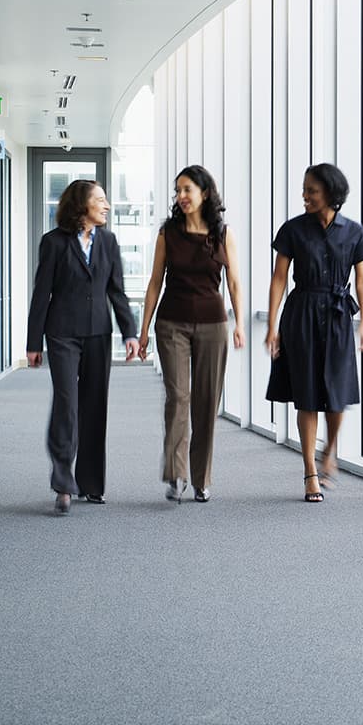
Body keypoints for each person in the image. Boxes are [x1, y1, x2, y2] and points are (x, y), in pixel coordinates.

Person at [27, 179, 140, 515]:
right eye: (100, 200)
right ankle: (63, 481)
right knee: (67, 403)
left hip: (97, 334)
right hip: (61, 333)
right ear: (82, 205)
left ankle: (90, 484)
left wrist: (129, 334)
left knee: (94, 405)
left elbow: (116, 291)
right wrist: (33, 342)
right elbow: (41, 293)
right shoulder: (54, 242)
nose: (106, 206)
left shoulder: (108, 241)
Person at [265, 163, 363, 502]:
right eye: (305, 189)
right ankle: (310, 472)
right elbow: (279, 278)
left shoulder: (354, 232)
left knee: (337, 395)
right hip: (301, 315)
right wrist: (271, 326)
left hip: (339, 315)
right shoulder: (293, 230)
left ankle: (331, 450)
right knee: (307, 394)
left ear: (330, 192)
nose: (305, 196)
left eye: (312, 190)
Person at [139, 165, 245, 503]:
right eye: (178, 191)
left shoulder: (222, 233)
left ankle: (201, 478)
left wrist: (240, 323)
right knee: (178, 398)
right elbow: (155, 282)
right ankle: (176, 474)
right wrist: (143, 332)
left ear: (205, 193)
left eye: (187, 190)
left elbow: (234, 283)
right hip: (172, 323)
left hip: (213, 325)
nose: (181, 197)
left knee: (205, 401)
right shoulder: (167, 233)